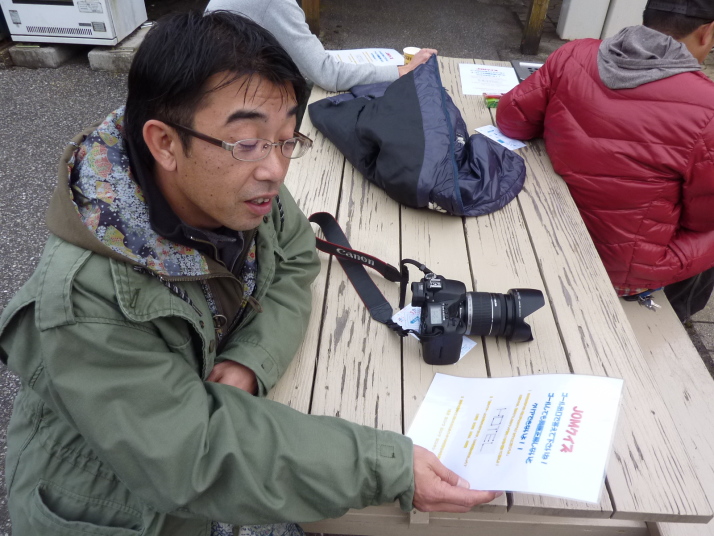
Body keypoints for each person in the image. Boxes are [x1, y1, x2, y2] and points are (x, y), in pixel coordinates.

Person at [0, 10, 499, 536]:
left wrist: (251, 357)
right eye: (248, 141)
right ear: (164, 143)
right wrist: (385, 465)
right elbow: (192, 453)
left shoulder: (231, 184)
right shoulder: (86, 298)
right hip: (116, 507)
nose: (275, 170)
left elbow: (297, 255)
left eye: (286, 139)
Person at [496, 0, 714, 321]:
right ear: (707, 32)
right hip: (622, 270)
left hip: (552, 224)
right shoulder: (708, 107)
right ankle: (674, 315)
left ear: (647, 17)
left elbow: (511, 120)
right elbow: (702, 221)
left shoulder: (575, 52)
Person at [205, 0, 437, 91]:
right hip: (237, 98)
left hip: (216, 87)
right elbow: (326, 75)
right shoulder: (275, 3)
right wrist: (401, 70)